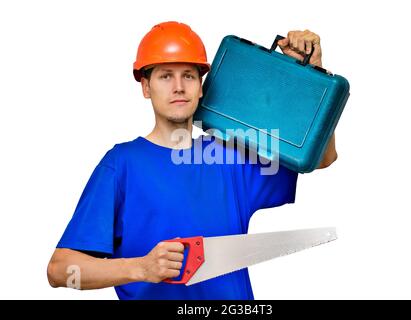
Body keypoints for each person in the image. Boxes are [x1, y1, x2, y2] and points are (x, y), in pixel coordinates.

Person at [47, 21, 337, 300]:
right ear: (146, 87)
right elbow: (61, 272)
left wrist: (311, 75)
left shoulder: (230, 156)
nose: (178, 87)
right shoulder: (121, 165)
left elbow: (323, 158)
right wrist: (139, 268)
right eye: (165, 76)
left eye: (188, 75)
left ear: (201, 87)